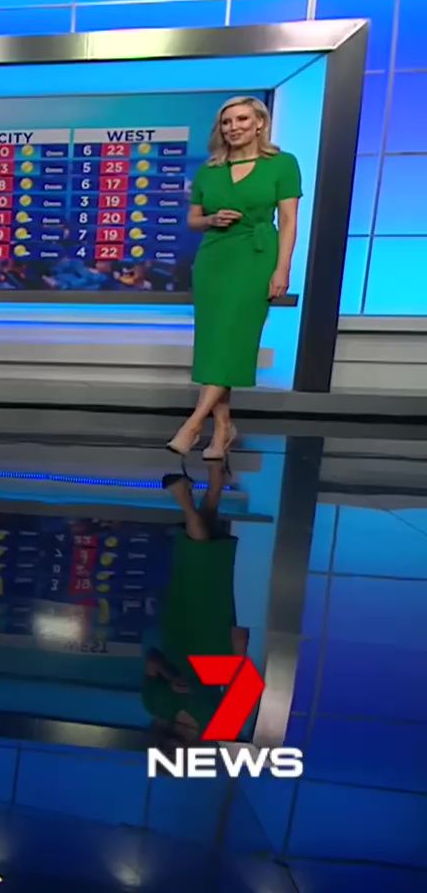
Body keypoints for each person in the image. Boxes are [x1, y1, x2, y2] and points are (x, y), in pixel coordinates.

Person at [166, 96, 301, 460]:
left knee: (235, 340)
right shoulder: (210, 170)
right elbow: (193, 220)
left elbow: (289, 221)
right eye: (226, 122)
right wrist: (211, 220)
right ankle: (223, 428)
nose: (233, 127)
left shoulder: (283, 164)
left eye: (241, 119)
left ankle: (194, 423)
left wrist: (282, 268)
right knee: (214, 344)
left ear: (260, 123)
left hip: (256, 257)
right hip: (214, 259)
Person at [145, 466, 247, 746]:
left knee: (194, 559)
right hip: (215, 641)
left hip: (180, 633)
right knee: (204, 558)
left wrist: (171, 676)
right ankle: (184, 496)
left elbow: (151, 659)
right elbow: (244, 686)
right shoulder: (222, 726)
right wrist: (239, 648)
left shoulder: (156, 705)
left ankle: (213, 485)